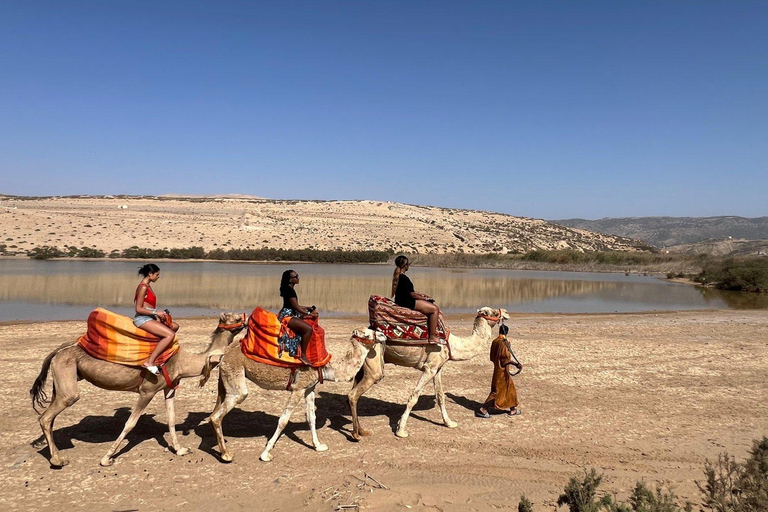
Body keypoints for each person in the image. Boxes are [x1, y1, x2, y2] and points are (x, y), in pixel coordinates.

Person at [134, 263, 179, 374]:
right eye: (157, 275)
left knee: (175, 326)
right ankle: (149, 362)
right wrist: (156, 312)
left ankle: (157, 352)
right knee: (170, 335)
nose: (158, 277)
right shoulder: (143, 287)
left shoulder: (148, 286)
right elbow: (138, 308)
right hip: (142, 319)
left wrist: (160, 314)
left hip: (150, 317)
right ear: (150, 274)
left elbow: (147, 305)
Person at [391, 255, 441, 344]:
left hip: (402, 300)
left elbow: (409, 292)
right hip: (407, 302)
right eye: (408, 264)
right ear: (405, 265)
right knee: (435, 309)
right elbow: (412, 295)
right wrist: (425, 299)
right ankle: (432, 336)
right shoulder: (404, 278)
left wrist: (421, 295)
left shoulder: (399, 277)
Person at [476, 324, 522, 418]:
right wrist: (516, 364)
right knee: (497, 391)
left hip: (497, 369)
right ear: (506, 332)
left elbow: (493, 357)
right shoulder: (504, 343)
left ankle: (512, 409)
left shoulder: (495, 341)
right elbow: (505, 360)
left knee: (509, 389)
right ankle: (483, 409)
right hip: (502, 372)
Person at [278, 269, 318, 366]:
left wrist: (306, 308)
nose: (298, 278)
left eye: (297, 276)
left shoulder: (288, 289)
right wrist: (309, 314)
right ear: (290, 280)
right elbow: (296, 307)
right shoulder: (289, 290)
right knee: (308, 329)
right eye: (295, 277)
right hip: (288, 315)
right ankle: (303, 355)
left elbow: (294, 305)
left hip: (289, 312)